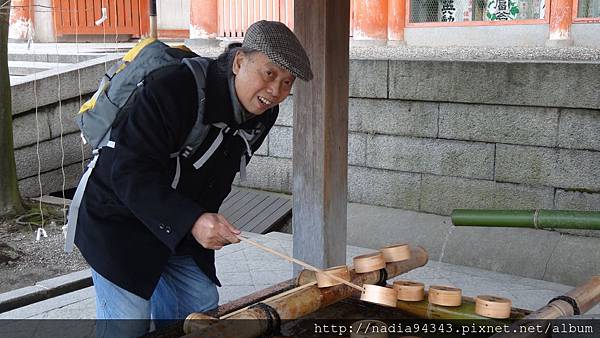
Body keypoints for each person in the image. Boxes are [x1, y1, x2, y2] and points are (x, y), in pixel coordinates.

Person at [73, 20, 313, 337]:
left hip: (177, 225)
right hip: (118, 219)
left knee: (199, 304)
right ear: (240, 61)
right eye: (269, 74)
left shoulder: (264, 113)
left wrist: (201, 222)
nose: (275, 92)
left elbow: (220, 172)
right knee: (129, 320)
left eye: (287, 83)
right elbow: (129, 172)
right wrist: (193, 221)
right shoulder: (174, 87)